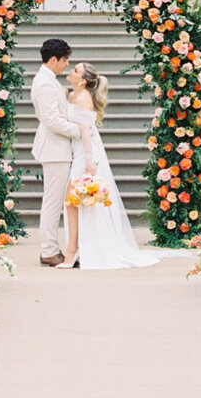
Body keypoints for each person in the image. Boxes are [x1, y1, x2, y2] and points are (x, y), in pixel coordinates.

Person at [58, 61, 158, 270]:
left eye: (75, 70)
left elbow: (86, 132)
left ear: (83, 81)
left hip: (86, 152)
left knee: (76, 198)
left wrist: (88, 162)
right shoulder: (72, 95)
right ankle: (76, 248)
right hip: (77, 150)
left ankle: (74, 251)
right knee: (74, 200)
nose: (71, 71)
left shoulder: (83, 98)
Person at [31, 36, 80, 267]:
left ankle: (51, 248)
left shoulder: (47, 80)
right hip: (54, 149)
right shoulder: (44, 83)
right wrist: (78, 130)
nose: (67, 65)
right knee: (53, 201)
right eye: (64, 60)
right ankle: (49, 250)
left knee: (54, 200)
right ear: (53, 59)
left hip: (57, 148)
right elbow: (51, 120)